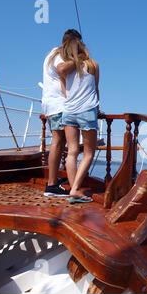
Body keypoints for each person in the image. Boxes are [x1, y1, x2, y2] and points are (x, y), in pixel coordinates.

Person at [55, 39, 100, 203]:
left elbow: (65, 91)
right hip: (87, 111)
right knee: (89, 153)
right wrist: (97, 109)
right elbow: (96, 88)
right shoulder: (92, 65)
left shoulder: (65, 70)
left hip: (69, 111)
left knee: (72, 152)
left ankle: (74, 189)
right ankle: (75, 190)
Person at [42, 29, 82, 197]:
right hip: (58, 105)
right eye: (79, 44)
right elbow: (61, 70)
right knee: (58, 142)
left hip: (52, 105)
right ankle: (51, 185)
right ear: (73, 42)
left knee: (57, 142)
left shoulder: (52, 53)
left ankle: (53, 181)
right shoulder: (59, 55)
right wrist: (80, 59)